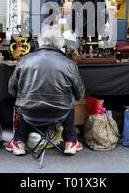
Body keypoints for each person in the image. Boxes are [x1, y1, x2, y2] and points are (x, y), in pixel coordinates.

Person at [7, 25, 85, 156]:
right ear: (60, 42)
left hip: (29, 114)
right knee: (70, 100)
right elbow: (79, 94)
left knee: (24, 103)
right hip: (60, 114)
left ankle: (19, 141)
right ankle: (70, 141)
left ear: (40, 41)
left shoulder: (24, 60)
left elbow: (11, 90)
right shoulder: (69, 63)